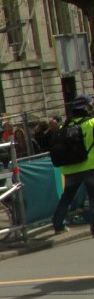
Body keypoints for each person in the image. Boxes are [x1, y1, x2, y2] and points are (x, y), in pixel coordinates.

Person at [52, 95, 94, 235]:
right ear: (87, 107)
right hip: (90, 166)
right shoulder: (91, 123)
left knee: (67, 197)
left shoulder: (65, 126)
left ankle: (58, 225)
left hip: (70, 169)